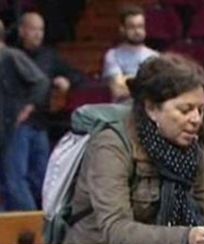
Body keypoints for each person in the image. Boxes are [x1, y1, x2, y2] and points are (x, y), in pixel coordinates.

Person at [64, 53, 204, 244]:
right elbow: (116, 228)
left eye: (200, 110)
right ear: (152, 109)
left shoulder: (192, 149)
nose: (196, 120)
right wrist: (185, 238)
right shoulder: (112, 145)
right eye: (185, 110)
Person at [2, 12, 84, 211]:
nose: (38, 34)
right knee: (16, 179)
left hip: (41, 123)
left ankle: (47, 222)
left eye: (41, 30)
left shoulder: (49, 56)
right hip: (18, 125)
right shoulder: (12, 55)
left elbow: (76, 75)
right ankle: (32, 224)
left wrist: (67, 81)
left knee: (41, 179)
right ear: (22, 31)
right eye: (33, 29)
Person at [0, 18, 50, 211]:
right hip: (11, 128)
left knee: (16, 182)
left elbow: (41, 81)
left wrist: (28, 107)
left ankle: (33, 229)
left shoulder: (11, 56)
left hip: (19, 127)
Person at [102, 5, 157, 102]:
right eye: (132, 27)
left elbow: (157, 90)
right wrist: (146, 84)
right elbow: (118, 91)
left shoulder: (155, 56)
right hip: (122, 109)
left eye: (140, 26)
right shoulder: (113, 55)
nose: (137, 31)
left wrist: (127, 80)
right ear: (122, 29)